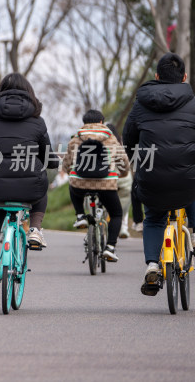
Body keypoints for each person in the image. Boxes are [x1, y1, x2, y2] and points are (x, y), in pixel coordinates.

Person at [0, 73, 58, 294]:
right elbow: (47, 157)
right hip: (29, 186)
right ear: (29, 95)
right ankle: (36, 229)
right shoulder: (37, 121)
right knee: (41, 185)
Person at [122, 52, 195, 296]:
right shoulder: (193, 102)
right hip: (187, 179)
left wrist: (140, 160)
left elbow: (129, 139)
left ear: (156, 76)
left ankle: (153, 264)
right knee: (191, 191)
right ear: (184, 77)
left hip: (152, 177)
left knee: (154, 218)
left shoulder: (141, 103)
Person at [61, 110, 129, 262]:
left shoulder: (75, 138)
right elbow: (123, 161)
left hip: (80, 183)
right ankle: (110, 247)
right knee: (116, 213)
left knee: (73, 186)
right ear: (101, 122)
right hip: (106, 184)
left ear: (84, 123)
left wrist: (68, 171)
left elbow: (67, 163)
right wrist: (123, 174)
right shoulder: (111, 138)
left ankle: (80, 215)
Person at [106, 123, 133, 239]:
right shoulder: (119, 143)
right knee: (123, 205)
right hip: (122, 179)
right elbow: (125, 164)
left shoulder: (97, 143)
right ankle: (124, 227)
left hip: (104, 181)